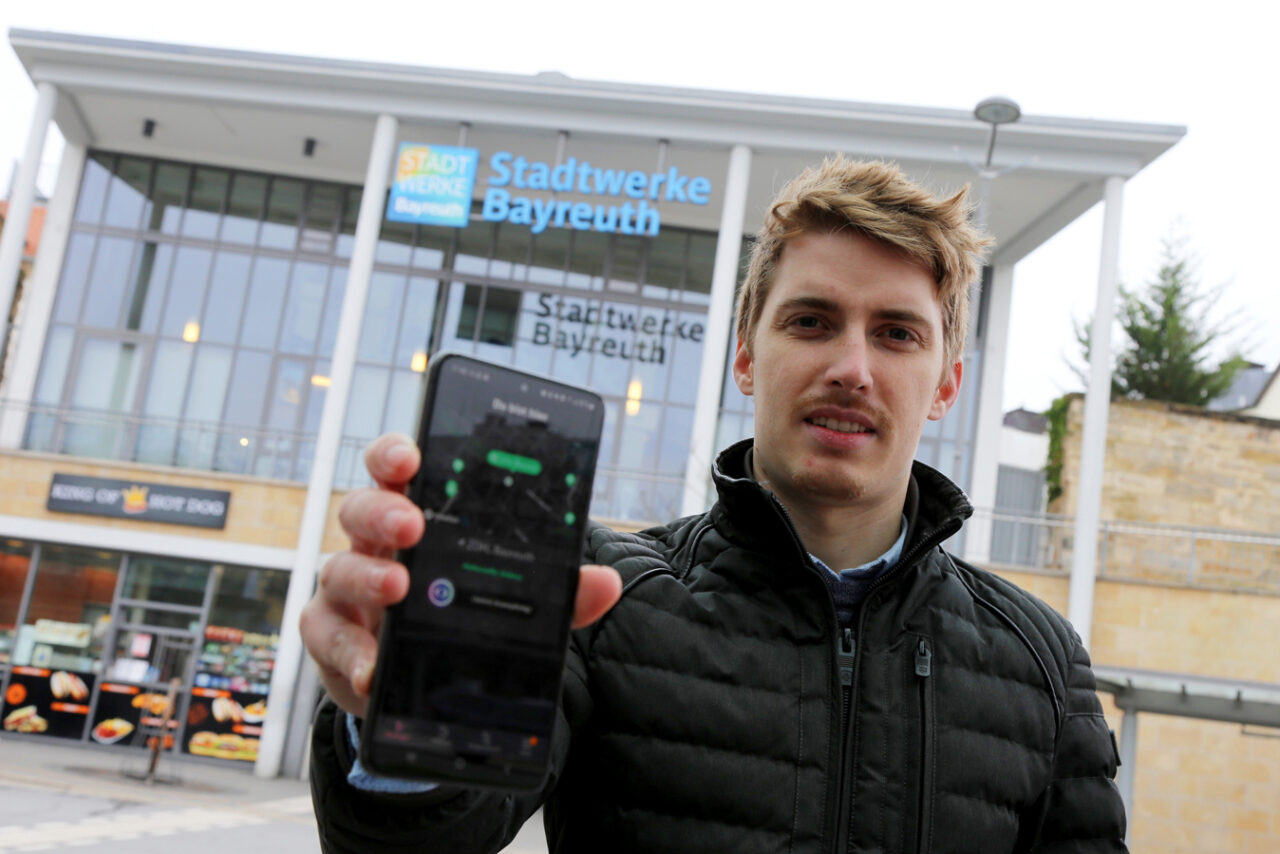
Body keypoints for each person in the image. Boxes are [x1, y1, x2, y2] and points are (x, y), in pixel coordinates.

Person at [301, 156, 1127, 853]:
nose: (852, 366)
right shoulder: (598, 595)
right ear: (745, 353)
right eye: (811, 321)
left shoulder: (1043, 659)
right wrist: (396, 712)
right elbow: (418, 837)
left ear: (947, 380)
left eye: (896, 333)